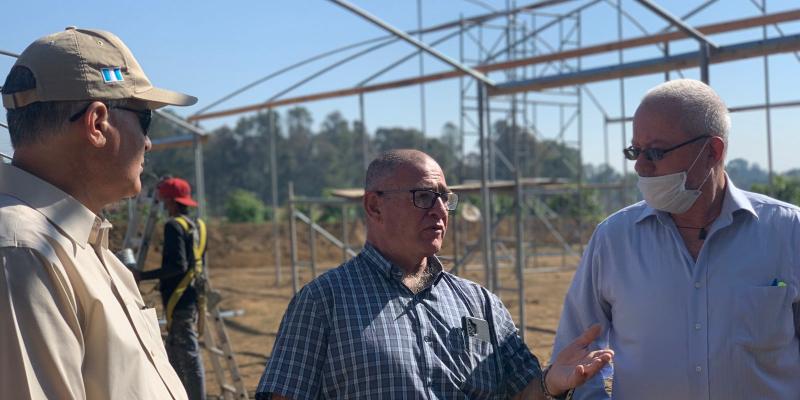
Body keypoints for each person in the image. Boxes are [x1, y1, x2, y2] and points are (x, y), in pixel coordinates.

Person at [256, 149, 614, 400]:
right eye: (424, 196)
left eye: (445, 198)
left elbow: (522, 393)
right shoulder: (324, 302)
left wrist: (552, 383)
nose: (441, 210)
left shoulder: (480, 303)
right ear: (374, 205)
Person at [552, 79, 800, 399]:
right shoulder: (613, 240)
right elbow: (575, 353)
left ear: (712, 151)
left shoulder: (787, 231)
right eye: (635, 151)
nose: (641, 165)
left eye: (656, 151)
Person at [0, 27, 197, 399]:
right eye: (145, 119)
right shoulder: (22, 252)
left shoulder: (80, 246)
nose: (148, 142)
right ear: (97, 123)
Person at [136, 177, 207, 400]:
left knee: (188, 354)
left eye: (166, 202)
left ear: (172, 202)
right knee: (175, 352)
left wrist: (143, 275)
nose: (165, 206)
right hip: (191, 296)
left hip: (179, 300)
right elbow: (196, 263)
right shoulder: (198, 226)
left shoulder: (174, 226)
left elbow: (177, 266)